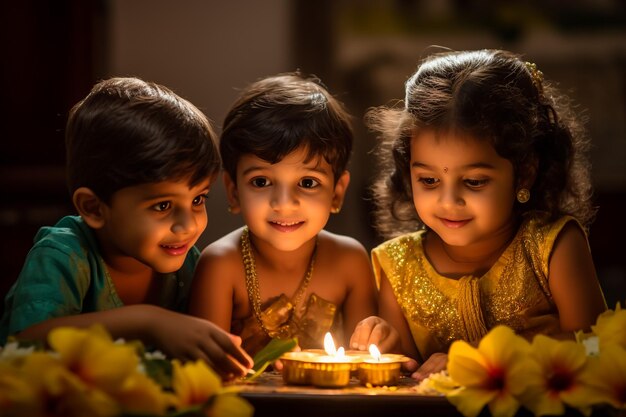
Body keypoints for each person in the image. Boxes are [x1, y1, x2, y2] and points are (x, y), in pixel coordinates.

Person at [349, 49, 607, 380]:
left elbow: (596, 349)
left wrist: (492, 357)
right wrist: (387, 345)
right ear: (406, 169)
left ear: (524, 172)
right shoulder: (396, 267)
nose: (449, 200)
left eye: (473, 182)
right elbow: (406, 380)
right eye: (428, 180)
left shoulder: (553, 247)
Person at [0, 77, 252, 378]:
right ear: (94, 208)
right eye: (162, 205)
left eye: (198, 199)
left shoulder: (188, 266)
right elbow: (24, 345)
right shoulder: (63, 256)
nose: (188, 225)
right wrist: (146, 322)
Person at [189, 72, 377, 356]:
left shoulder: (350, 262)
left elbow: (365, 361)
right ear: (234, 191)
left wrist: (382, 337)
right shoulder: (220, 265)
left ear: (337, 193)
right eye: (261, 182)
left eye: (308, 183)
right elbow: (206, 367)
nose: (284, 204)